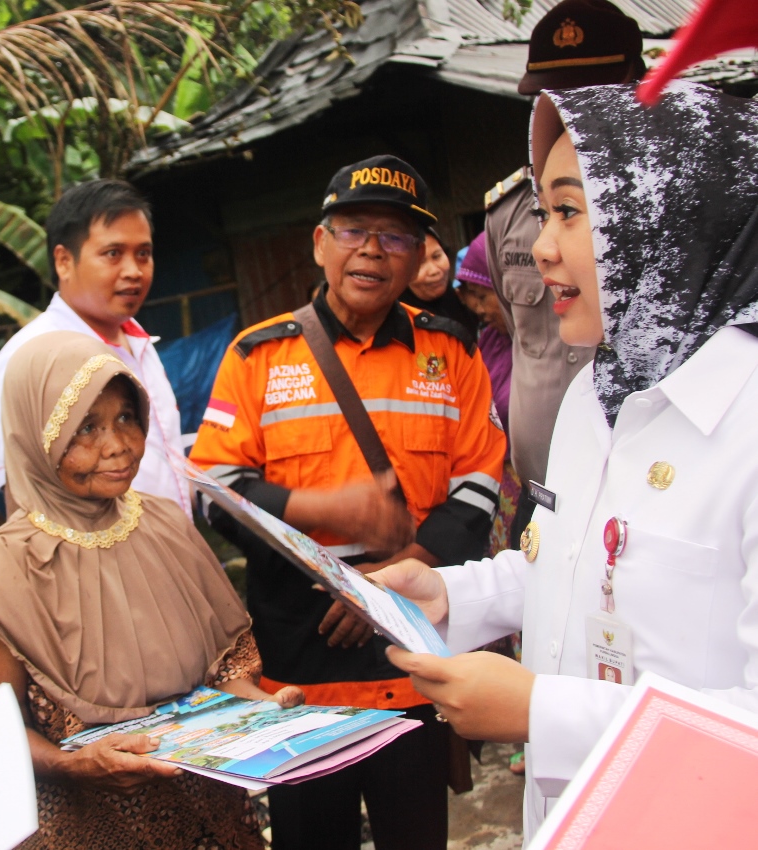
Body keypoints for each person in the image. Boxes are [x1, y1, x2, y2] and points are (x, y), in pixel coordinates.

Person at [376, 81, 758, 841]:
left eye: (570, 211)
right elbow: (578, 562)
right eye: (542, 214)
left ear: (671, 218)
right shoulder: (594, 392)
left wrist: (538, 713)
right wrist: (452, 598)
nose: (539, 246)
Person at [190, 155, 507, 850]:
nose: (371, 250)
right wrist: (328, 510)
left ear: (423, 255)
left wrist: (388, 583)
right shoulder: (257, 356)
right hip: (299, 675)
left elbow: (478, 487)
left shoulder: (449, 352)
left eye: (395, 236)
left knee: (415, 835)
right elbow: (212, 497)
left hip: (409, 659)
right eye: (353, 229)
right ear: (318, 243)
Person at [0, 331, 304, 850]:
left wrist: (260, 710)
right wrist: (71, 766)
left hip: (207, 818)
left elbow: (221, 674)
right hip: (83, 830)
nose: (116, 444)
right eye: (85, 427)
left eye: (125, 417)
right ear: (35, 436)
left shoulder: (166, 525)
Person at [484, 0, 645, 547]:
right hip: (544, 479)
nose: (572, 110)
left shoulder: (668, 216)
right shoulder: (506, 213)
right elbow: (517, 331)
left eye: (593, 91)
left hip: (646, 483)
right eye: (555, 95)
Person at [0, 179, 190, 517]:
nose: (134, 271)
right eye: (113, 254)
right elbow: (25, 499)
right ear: (64, 261)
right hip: (98, 564)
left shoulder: (140, 344)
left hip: (169, 551)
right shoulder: (31, 360)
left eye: (144, 254)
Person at [455, 232, 520, 555]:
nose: (478, 309)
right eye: (472, 299)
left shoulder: (546, 350)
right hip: (497, 494)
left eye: (483, 296)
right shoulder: (491, 341)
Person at [400, 228, 476, 334]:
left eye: (436, 256)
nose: (434, 271)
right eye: (420, 264)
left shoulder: (469, 304)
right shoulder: (398, 327)